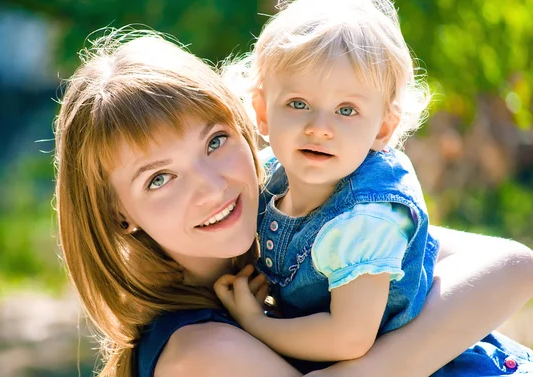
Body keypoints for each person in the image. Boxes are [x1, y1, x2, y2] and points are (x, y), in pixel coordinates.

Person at [53, 29, 533, 377]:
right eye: (159, 178)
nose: (210, 186)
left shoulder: (294, 211)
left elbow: (511, 266)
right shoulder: (200, 353)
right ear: (117, 214)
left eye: (216, 142)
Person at [213, 0, 436, 364]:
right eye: (298, 103)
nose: (319, 127)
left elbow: (348, 339)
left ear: (382, 128)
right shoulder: (268, 176)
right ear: (263, 112)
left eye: (346, 110)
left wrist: (256, 322)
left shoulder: (369, 216)